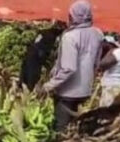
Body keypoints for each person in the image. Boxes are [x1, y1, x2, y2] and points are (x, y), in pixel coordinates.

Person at [42, 0, 103, 132]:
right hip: (85, 89)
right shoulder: (98, 34)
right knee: (77, 127)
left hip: (68, 92)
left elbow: (69, 68)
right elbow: (96, 63)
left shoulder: (70, 37)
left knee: (61, 128)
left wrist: (48, 85)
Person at [19, 22, 66, 90]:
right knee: (32, 75)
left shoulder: (44, 32)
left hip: (31, 54)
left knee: (26, 71)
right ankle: (30, 89)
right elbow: (45, 51)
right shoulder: (51, 36)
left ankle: (24, 85)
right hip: (35, 57)